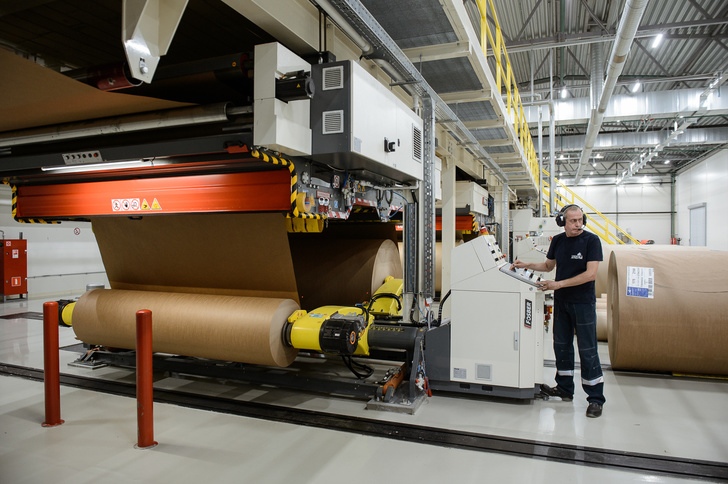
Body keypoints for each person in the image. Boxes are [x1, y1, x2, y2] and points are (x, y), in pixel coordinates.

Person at [511, 204, 605, 418]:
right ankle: (564, 388)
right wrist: (526, 264)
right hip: (562, 302)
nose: (578, 224)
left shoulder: (591, 241)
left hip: (583, 303)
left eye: (580, 220)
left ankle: (595, 398)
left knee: (588, 350)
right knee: (561, 346)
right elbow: (548, 266)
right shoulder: (559, 241)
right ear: (562, 222)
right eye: (573, 221)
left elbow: (590, 274)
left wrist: (558, 284)